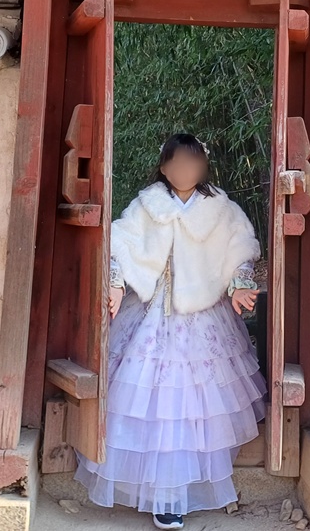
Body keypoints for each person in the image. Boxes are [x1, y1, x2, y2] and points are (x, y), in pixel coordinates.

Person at [74, 132, 266, 530]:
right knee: (148, 396)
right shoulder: (147, 205)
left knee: (195, 401)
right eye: (177, 162)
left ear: (203, 167)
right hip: (151, 311)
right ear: (164, 167)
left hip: (202, 312)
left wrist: (239, 284)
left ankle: (180, 492)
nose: (185, 170)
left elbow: (241, 247)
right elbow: (119, 243)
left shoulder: (219, 207)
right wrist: (115, 283)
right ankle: (162, 496)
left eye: (193, 162)